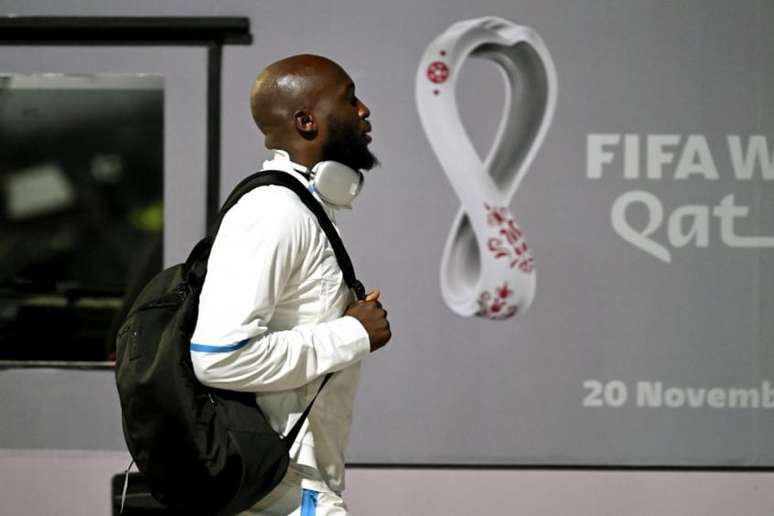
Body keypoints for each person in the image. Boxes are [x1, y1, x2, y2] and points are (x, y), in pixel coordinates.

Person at [190, 54, 391, 515]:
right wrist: (352, 334)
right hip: (283, 495)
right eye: (349, 98)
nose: (364, 111)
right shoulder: (275, 212)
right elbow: (218, 356)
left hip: (293, 490)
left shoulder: (302, 208)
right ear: (306, 120)